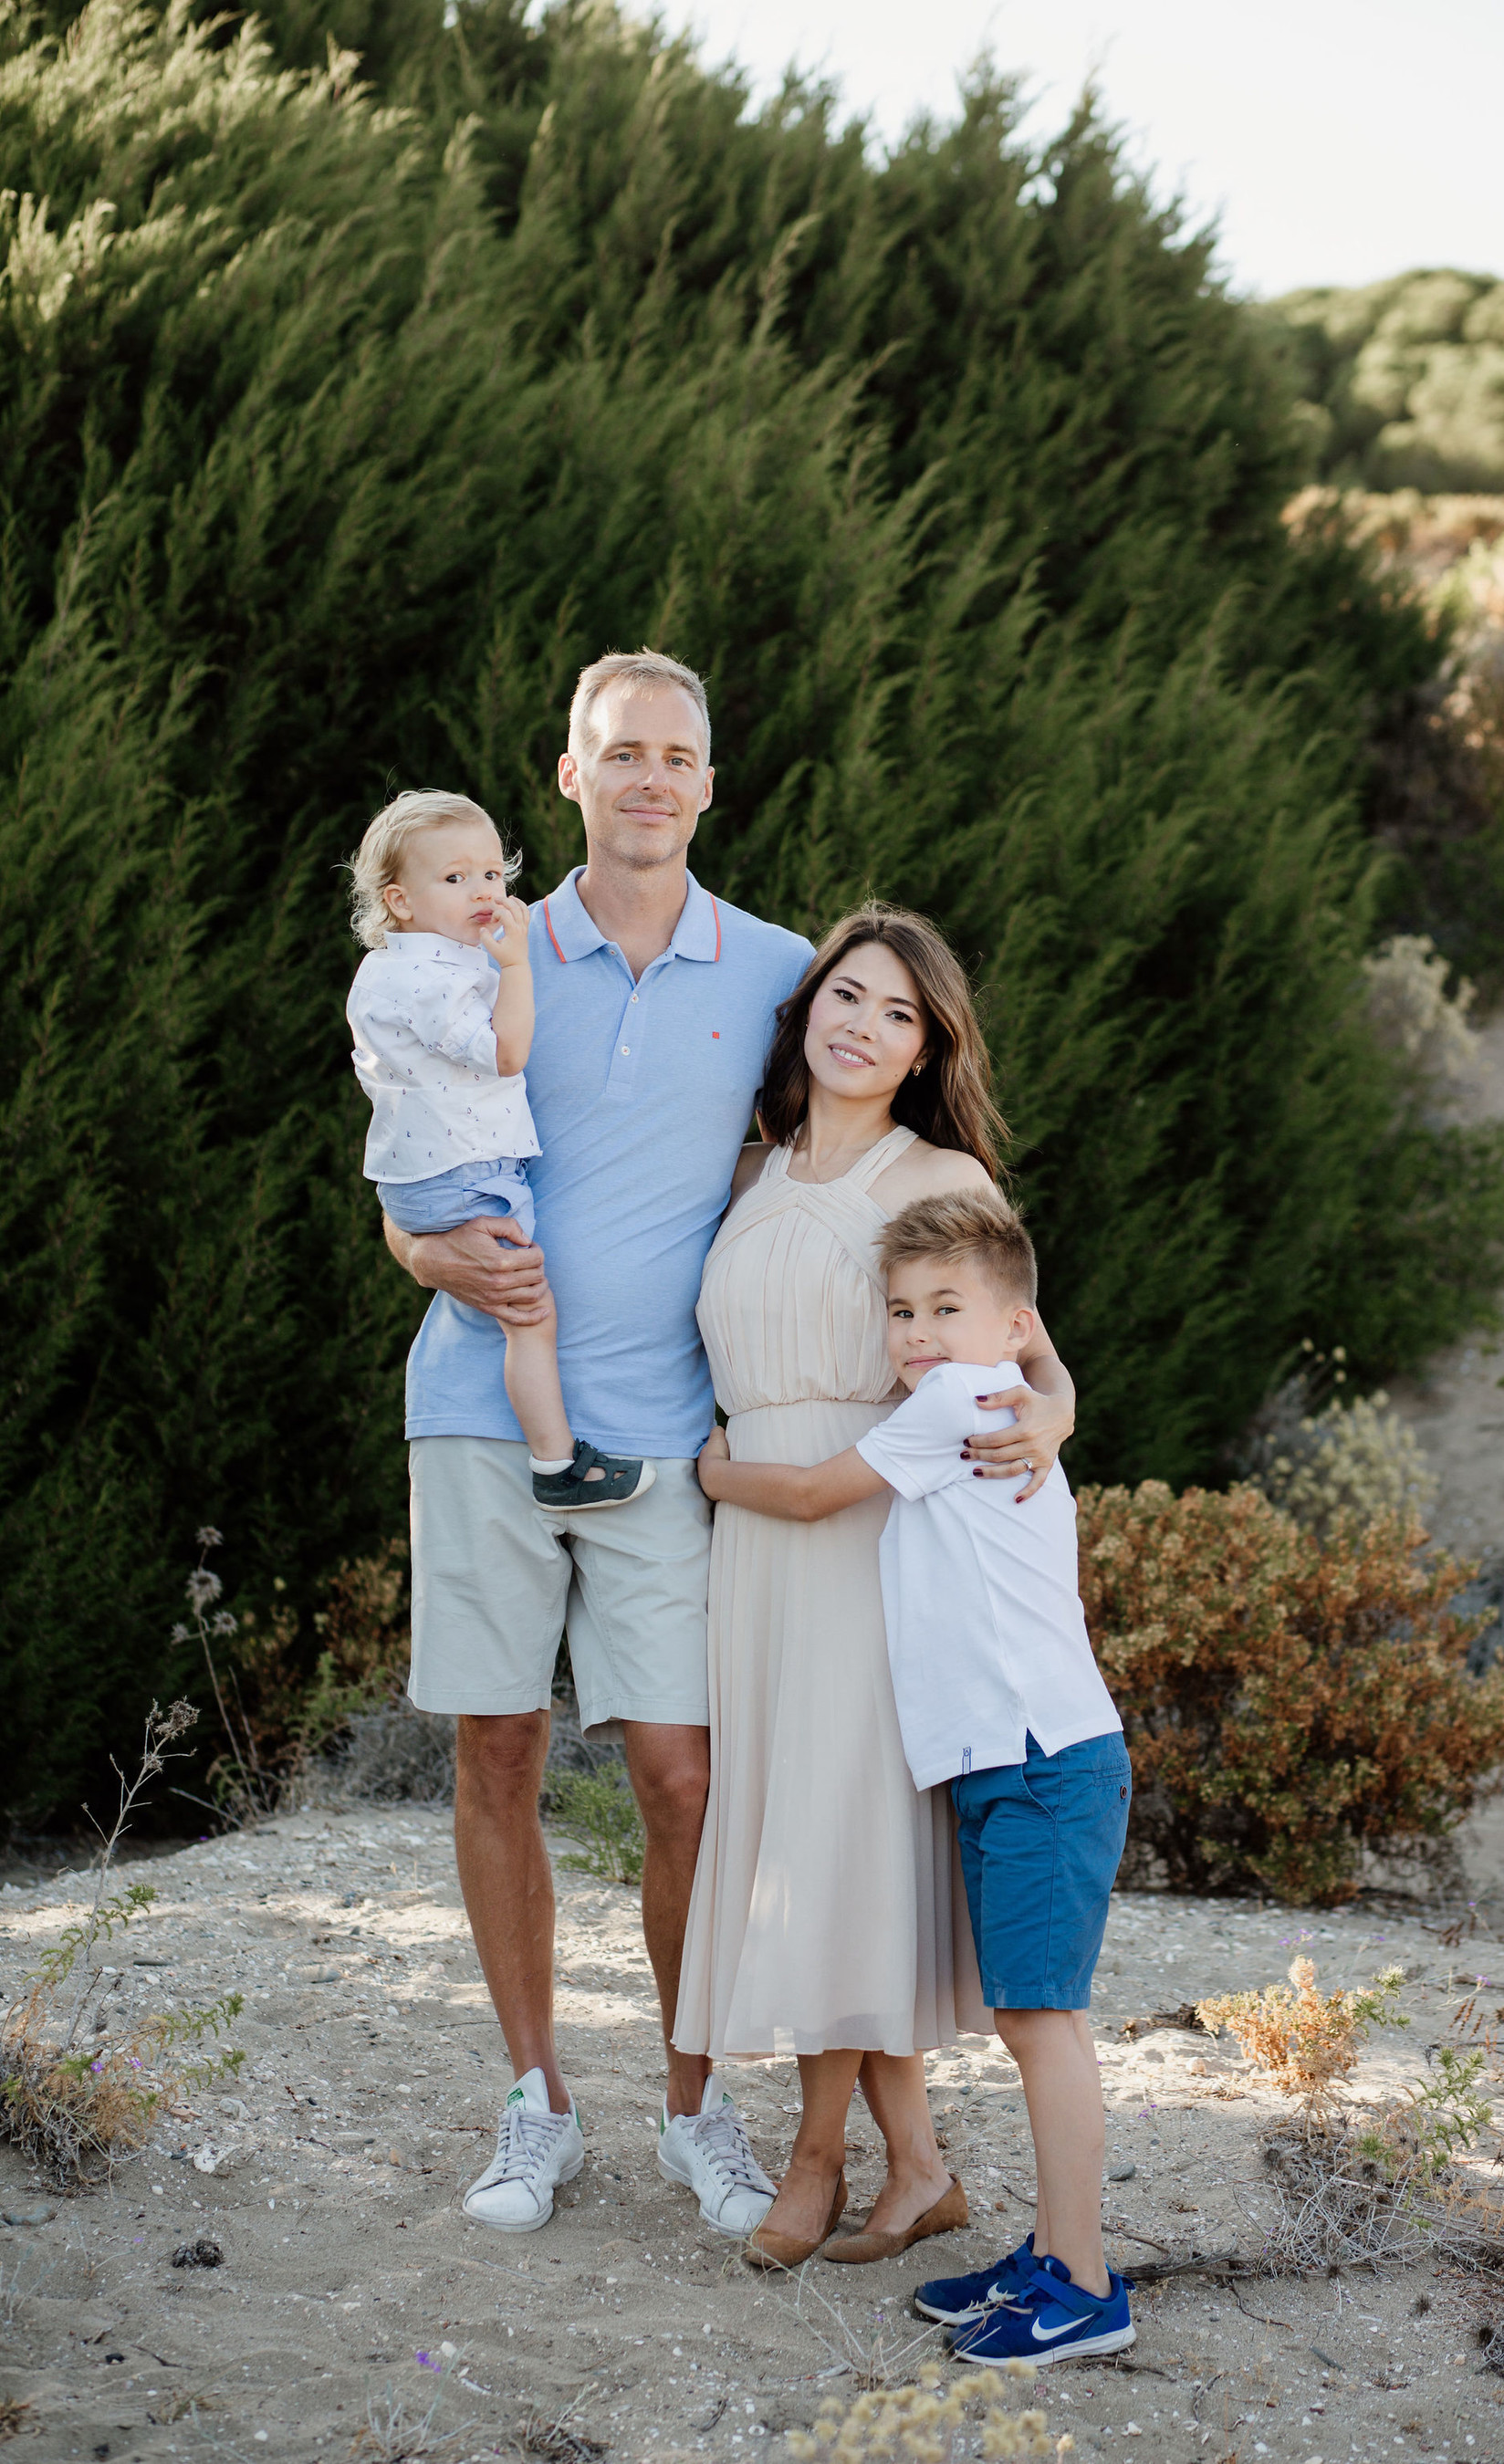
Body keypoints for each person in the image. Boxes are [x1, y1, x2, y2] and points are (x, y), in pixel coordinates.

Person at [377, 655, 1067, 2239]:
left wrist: (1056, 1398)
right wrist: (430, 1262)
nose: (648, 782)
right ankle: (537, 2104)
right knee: (497, 1751)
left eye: (675, 758)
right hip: (480, 1413)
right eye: (620, 755)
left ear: (708, 785)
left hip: (670, 1441)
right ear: (569, 775)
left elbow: (908, 1188)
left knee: (686, 1780)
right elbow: (409, 1160)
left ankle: (695, 2106)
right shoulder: (481, 943)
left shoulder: (772, 974)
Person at [674, 906, 1080, 2272]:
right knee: (800, 1839)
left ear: (926, 1048)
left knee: (839, 1843)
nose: (864, 1025)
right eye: (845, 995)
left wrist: (1058, 1420)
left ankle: (813, 2161)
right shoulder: (748, 1173)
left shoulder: (939, 1172)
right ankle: (919, 2168)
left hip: (864, 1525)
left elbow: (1026, 1351)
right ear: (805, 1013)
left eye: (900, 1013)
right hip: (753, 1555)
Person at [696, 1186, 1133, 2356]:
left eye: (948, 1306)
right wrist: (1055, 1384)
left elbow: (806, 1494)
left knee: (1044, 2024)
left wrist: (714, 1469)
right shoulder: (998, 1394)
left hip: (1040, 1760)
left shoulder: (956, 1399)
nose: (918, 1333)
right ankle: (1049, 2251)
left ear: (1016, 1324)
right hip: (1012, 1763)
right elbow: (1037, 1381)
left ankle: (1083, 2286)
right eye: (900, 1311)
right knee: (1028, 2016)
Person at [346, 788, 653, 1510]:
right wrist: (516, 968)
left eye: (491, 873)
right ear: (399, 901)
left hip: (418, 1173)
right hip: (469, 1174)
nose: (482, 891)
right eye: (453, 879)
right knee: (530, 1315)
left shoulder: (387, 971)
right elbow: (507, 1052)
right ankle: (557, 1464)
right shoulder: (438, 977)